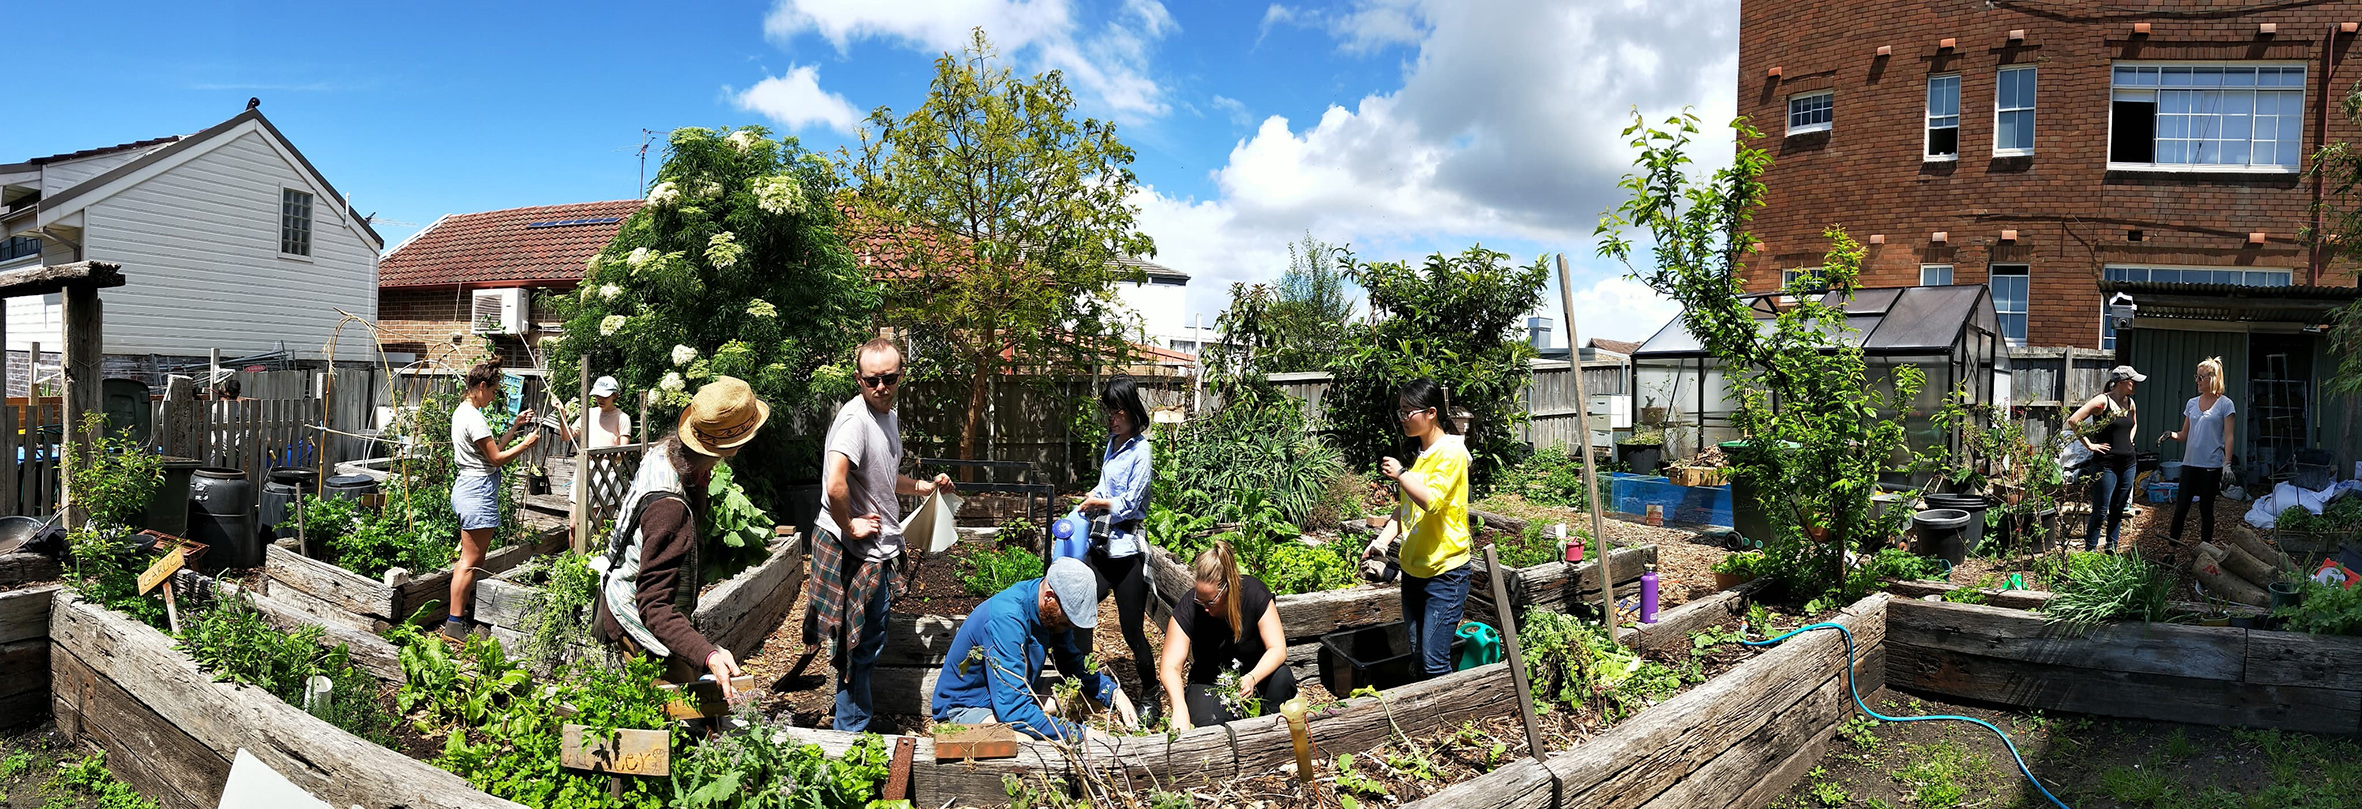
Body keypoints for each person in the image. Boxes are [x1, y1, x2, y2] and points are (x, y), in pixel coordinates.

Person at [809, 338, 955, 732]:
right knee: (857, 646)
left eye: (888, 378)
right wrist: (849, 524)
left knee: (865, 643)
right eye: (871, 380)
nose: (880, 387)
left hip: (876, 547)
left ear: (900, 375)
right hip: (854, 549)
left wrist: (923, 487)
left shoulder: (887, 416)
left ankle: (852, 724)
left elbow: (884, 480)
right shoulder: (855, 423)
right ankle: (850, 736)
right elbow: (835, 485)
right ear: (858, 379)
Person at [591, 377, 768, 697]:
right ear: (735, 446)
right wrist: (709, 655)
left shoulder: (667, 455)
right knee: (682, 725)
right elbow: (654, 606)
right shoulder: (669, 509)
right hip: (639, 624)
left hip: (642, 605)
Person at [932, 557, 1121, 741]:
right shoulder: (1007, 620)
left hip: (1012, 694)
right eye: (1068, 621)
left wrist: (1113, 692)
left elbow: (1070, 661)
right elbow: (1012, 709)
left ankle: (1054, 726)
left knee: (1089, 696)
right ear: (1049, 597)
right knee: (1024, 741)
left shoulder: (1050, 609)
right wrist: (1078, 734)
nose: (1070, 627)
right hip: (967, 707)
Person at [1361, 378, 1472, 681]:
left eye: (1409, 412)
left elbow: (1431, 502)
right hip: (1414, 572)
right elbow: (1406, 508)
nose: (1403, 419)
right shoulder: (1422, 455)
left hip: (1445, 574)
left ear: (1432, 412)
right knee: (1419, 655)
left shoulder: (1451, 452)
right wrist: (1381, 542)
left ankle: (1445, 723)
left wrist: (1400, 474)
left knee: (1435, 662)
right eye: (1401, 412)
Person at [1070, 376, 1157, 720]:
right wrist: (1092, 498)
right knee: (1078, 603)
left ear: (1133, 410)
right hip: (1103, 545)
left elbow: (1132, 503)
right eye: (1109, 410)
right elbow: (1106, 486)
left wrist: (1099, 504)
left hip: (1127, 554)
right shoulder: (1113, 443)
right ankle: (1084, 682)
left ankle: (1150, 694)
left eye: (1118, 410)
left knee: (1132, 630)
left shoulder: (1142, 450)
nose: (1112, 417)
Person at [445, 358, 540, 639]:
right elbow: (497, 459)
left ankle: (457, 616)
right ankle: (453, 623)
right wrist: (525, 443)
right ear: (482, 386)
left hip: (470, 487)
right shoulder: (473, 417)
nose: (495, 396)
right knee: (470, 562)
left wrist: (513, 428)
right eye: (495, 391)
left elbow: (491, 452)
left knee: (470, 560)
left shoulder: (464, 412)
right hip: (477, 491)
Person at [1158, 541, 1294, 731]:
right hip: (1210, 682)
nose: (1204, 607)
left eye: (1210, 601)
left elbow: (1277, 649)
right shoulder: (1190, 606)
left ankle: (1271, 730)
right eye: (1200, 599)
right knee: (1211, 726)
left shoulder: (1254, 594)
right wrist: (1179, 707)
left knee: (1282, 678)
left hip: (1255, 677)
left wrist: (1252, 678)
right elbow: (1170, 666)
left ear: (1228, 589)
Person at [2066, 365, 2144, 553]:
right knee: (2100, 511)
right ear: (2122, 382)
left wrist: (2130, 439)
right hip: (2105, 465)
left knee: (2118, 510)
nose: (2136, 385)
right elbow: (2073, 420)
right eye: (2133, 381)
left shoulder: (2130, 402)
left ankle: (2111, 551)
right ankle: (2090, 552)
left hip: (2128, 464)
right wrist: (2090, 445)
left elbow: (2134, 423)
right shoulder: (2103, 401)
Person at [2161, 357, 2236, 547]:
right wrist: (2171, 434)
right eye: (2196, 377)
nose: (2197, 381)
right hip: (2190, 464)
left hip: (2211, 466)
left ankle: (2206, 550)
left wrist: (2227, 464)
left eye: (2201, 377)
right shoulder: (2192, 403)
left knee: (2205, 509)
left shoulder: (2225, 404)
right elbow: (2185, 434)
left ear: (2213, 378)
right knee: (2181, 508)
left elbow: (2228, 436)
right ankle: (2171, 550)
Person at [561, 375, 634, 449]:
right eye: (597, 396)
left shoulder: (622, 418)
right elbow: (566, 437)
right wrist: (561, 412)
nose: (600, 399)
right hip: (586, 461)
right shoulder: (589, 414)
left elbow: (623, 453)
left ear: (614, 396)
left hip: (609, 461)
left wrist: (598, 455)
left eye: (604, 396)